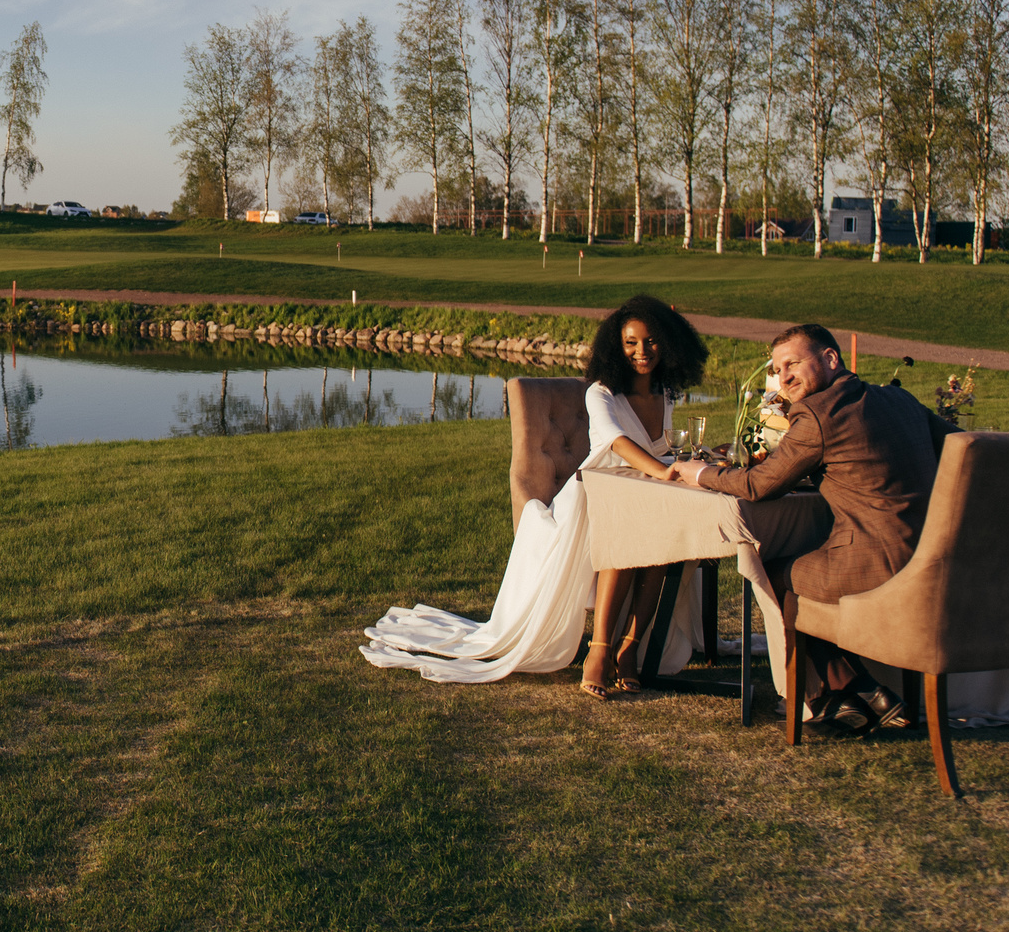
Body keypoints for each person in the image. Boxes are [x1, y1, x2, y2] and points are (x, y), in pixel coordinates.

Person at [359, 293, 708, 693]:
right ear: (617, 345)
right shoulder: (601, 392)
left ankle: (629, 648)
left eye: (650, 341)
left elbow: (659, 445)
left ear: (667, 341)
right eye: (631, 343)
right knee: (624, 535)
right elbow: (617, 441)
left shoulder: (663, 394)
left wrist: (687, 460)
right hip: (595, 494)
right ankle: (599, 649)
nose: (641, 352)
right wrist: (664, 473)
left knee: (660, 547)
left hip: (645, 489)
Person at [670, 322, 958, 731]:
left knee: (772, 573)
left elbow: (760, 484)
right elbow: (962, 445)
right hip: (935, 555)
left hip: (880, 562)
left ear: (830, 359)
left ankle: (831, 696)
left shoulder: (818, 413)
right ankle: (862, 694)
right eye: (777, 369)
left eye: (792, 364)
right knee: (799, 563)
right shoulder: (898, 399)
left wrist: (701, 472)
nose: (783, 377)